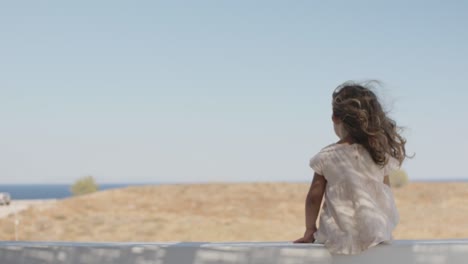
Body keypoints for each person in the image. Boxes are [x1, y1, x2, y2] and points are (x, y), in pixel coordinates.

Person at [293, 82, 408, 255]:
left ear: (335, 117)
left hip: (336, 236)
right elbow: (386, 194)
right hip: (376, 233)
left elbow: (313, 198)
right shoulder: (379, 155)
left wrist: (310, 229)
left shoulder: (327, 156)